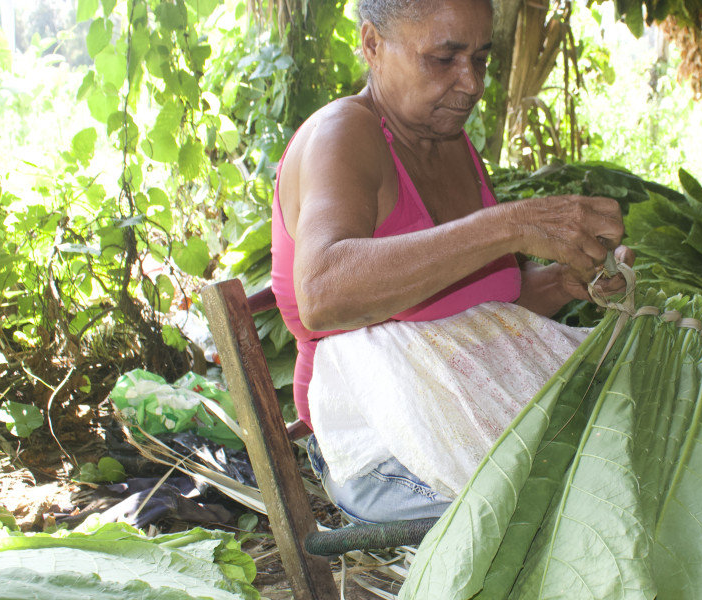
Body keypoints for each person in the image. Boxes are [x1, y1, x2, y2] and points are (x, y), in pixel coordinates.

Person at [268, 0, 632, 524]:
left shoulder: (449, 141)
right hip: (380, 449)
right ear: (372, 45)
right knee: (566, 512)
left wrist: (563, 282)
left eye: (481, 59)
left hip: (471, 413)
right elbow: (323, 293)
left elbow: (474, 306)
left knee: (624, 457)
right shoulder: (342, 134)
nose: (472, 84)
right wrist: (510, 225)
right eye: (444, 58)